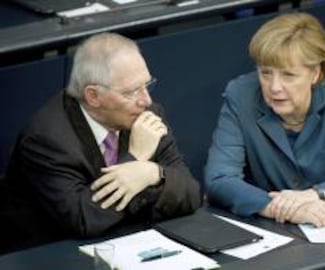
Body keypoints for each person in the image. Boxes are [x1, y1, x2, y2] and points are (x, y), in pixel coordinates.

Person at [4, 33, 201, 249]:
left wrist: (154, 174)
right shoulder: (46, 139)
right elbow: (84, 219)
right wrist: (135, 159)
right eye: (132, 92)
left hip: (132, 244)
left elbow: (191, 193)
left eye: (147, 85)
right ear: (93, 96)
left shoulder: (147, 116)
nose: (146, 100)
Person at [204, 12, 325, 228]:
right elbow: (220, 179)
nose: (274, 87)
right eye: (266, 73)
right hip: (273, 230)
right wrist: (279, 208)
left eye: (288, 75)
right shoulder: (240, 96)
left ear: (316, 73)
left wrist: (315, 195)